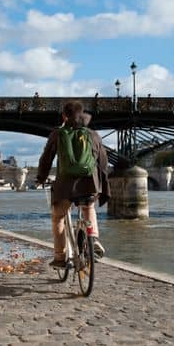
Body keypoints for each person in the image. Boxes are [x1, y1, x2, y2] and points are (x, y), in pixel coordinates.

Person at [37, 100, 110, 268]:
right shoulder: (93, 134)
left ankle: (60, 257)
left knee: (58, 217)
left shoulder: (58, 133)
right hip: (89, 184)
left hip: (65, 186)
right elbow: (103, 162)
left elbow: (46, 159)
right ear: (82, 114)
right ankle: (94, 239)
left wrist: (41, 177)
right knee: (88, 208)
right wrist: (101, 183)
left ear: (64, 116)